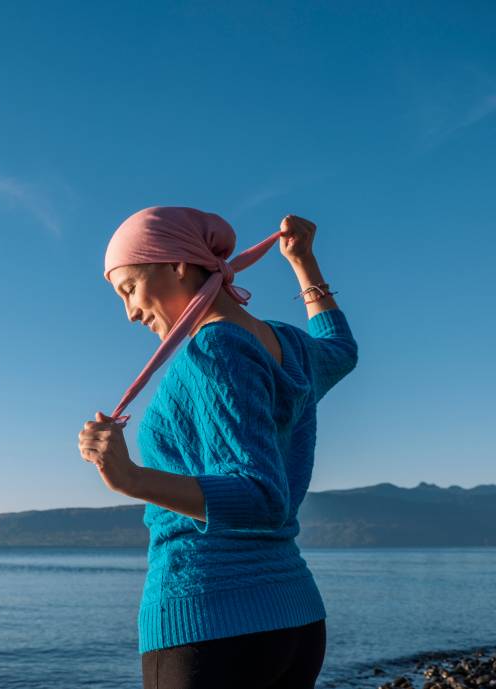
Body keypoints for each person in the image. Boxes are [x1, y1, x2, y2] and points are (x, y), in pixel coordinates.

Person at [77, 207, 358, 689]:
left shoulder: (213, 350)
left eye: (129, 289)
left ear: (177, 265)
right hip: (293, 617)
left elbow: (260, 498)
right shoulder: (286, 343)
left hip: (210, 623)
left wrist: (130, 479)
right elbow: (340, 349)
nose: (129, 311)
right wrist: (304, 264)